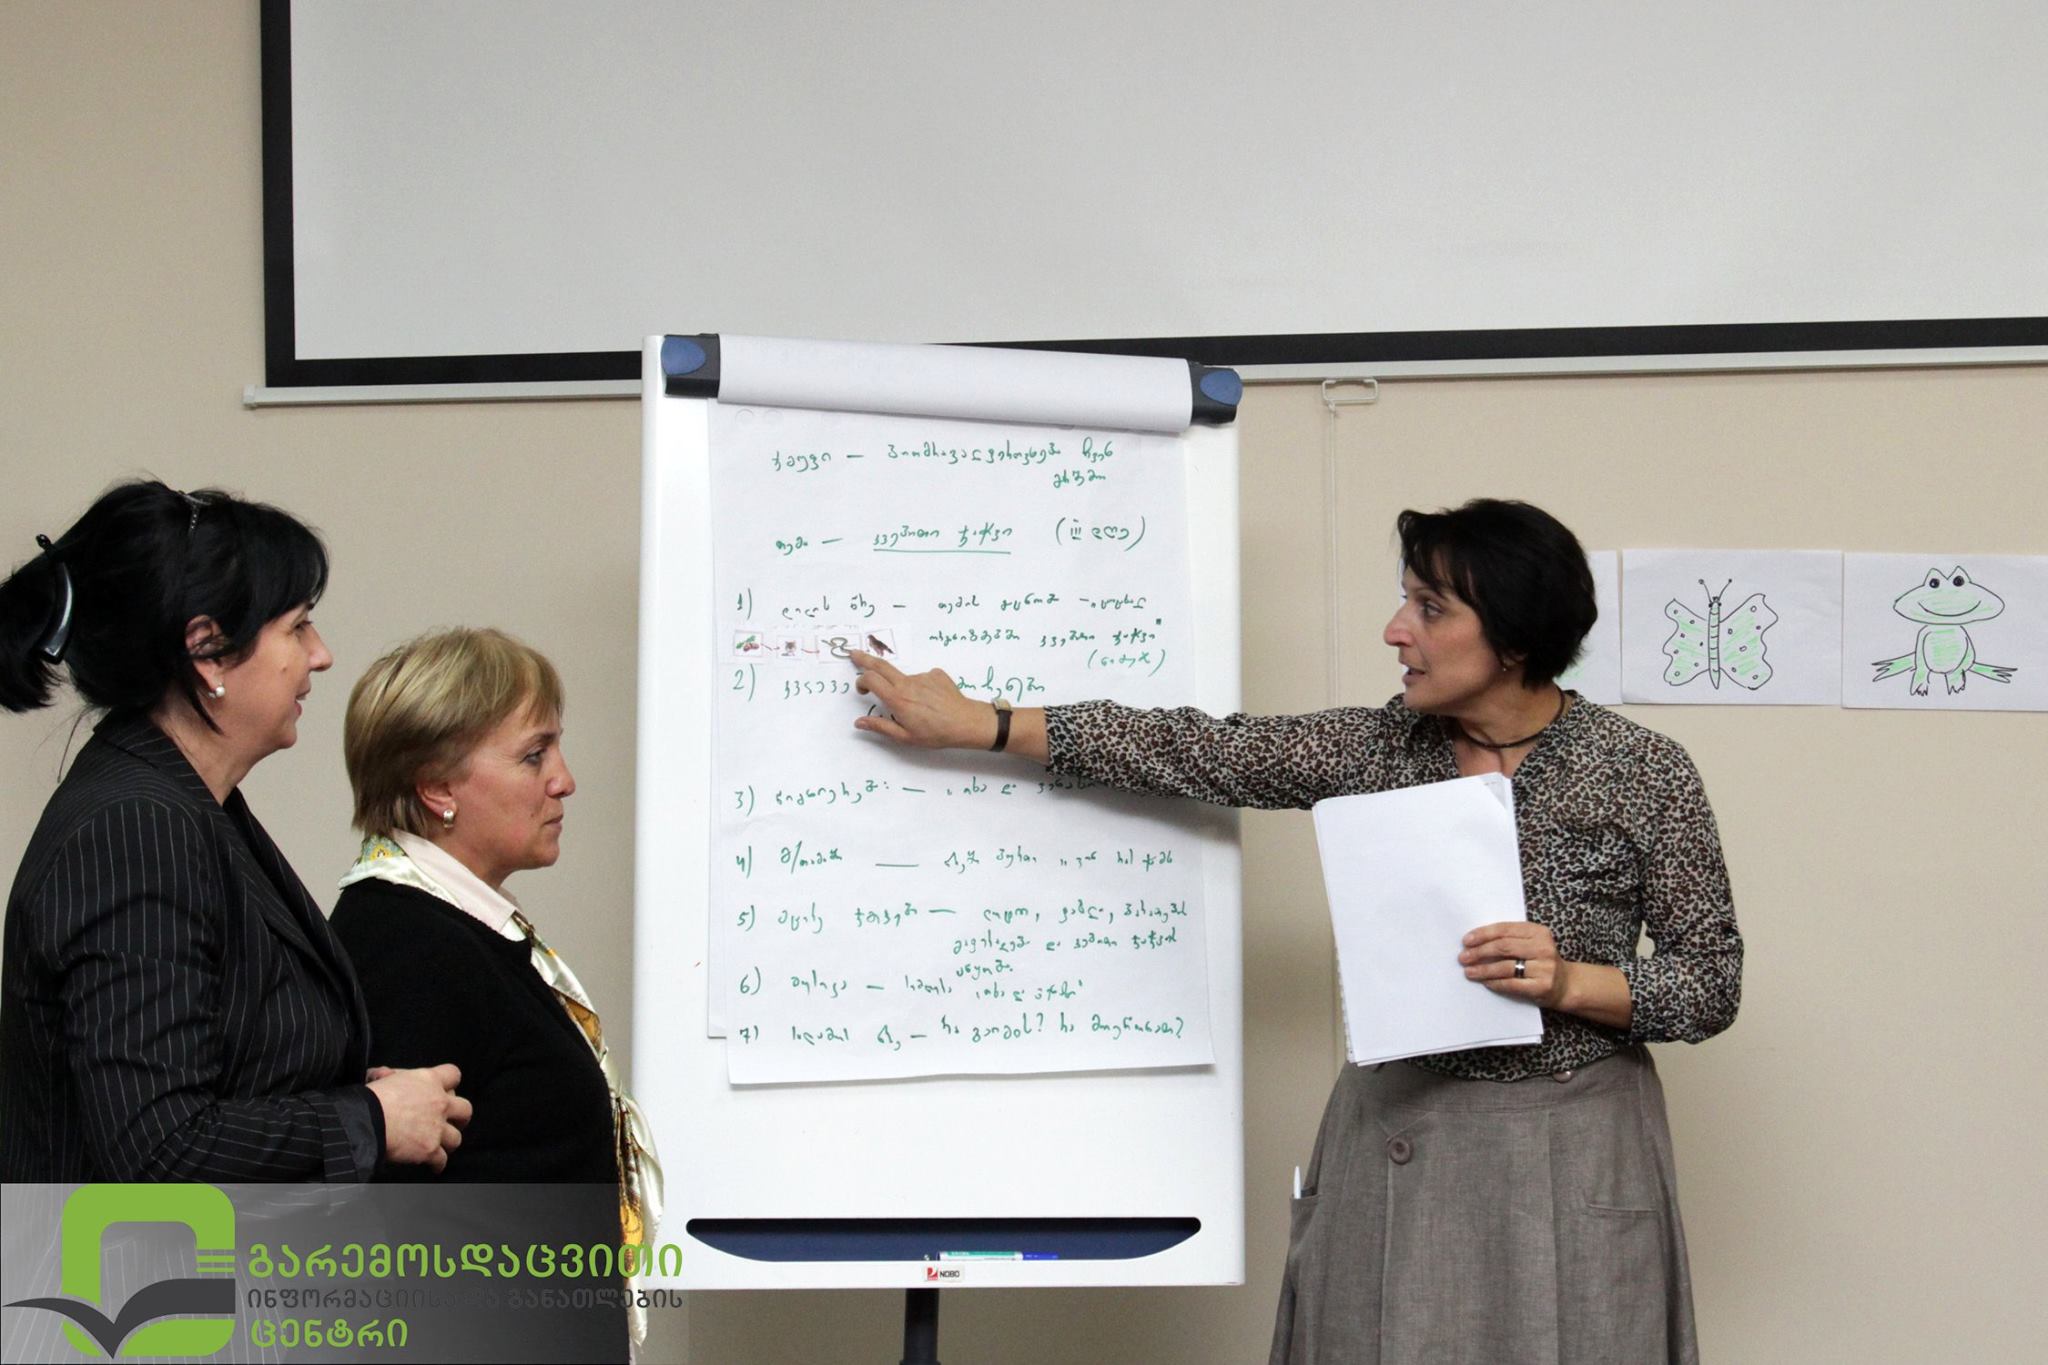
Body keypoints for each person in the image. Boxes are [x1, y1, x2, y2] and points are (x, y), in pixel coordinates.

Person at [847, 498, 1742, 1365]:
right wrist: (989, 724)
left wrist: (1570, 981)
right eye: (1405, 600)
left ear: (1515, 638)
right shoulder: (1378, 749)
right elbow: (1197, 749)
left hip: (1573, 1145)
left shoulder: (1645, 771)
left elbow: (1710, 982)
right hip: (1400, 1139)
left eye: (1431, 608)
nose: (1396, 630)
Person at [0, 479, 468, 1182]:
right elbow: (160, 1150)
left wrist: (355, 1094)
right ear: (208, 652)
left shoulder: (185, 804)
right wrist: (369, 1121)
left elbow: (226, 1065)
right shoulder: (136, 829)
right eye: (297, 626)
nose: (320, 654)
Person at [328, 628, 661, 1359]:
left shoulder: (455, 928)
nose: (564, 780)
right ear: (437, 787)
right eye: (534, 755)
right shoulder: (406, 945)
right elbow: (396, 1241)